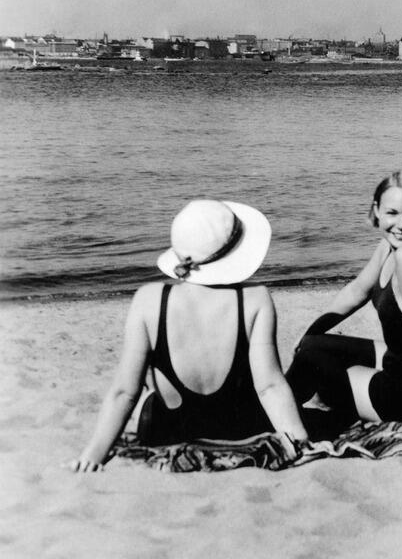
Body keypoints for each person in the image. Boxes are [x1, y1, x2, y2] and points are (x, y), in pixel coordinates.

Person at [72, 200, 308, 472]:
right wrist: (300, 442)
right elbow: (269, 387)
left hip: (168, 432)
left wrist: (94, 454)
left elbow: (124, 392)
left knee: (148, 385)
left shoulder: (149, 300)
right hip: (239, 428)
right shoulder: (255, 298)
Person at [285, 170, 402, 432]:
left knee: (311, 359)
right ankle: (294, 405)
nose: (400, 225)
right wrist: (311, 330)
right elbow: (357, 291)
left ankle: (274, 418)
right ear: (376, 210)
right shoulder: (390, 245)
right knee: (312, 343)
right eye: (392, 213)